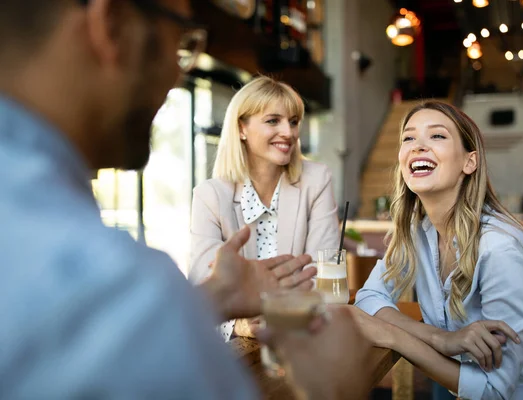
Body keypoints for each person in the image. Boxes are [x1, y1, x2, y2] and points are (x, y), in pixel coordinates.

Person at [0, 0, 371, 398]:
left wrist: (212, 298)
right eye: (182, 42)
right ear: (113, 26)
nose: (178, 77)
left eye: (294, 122)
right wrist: (338, 390)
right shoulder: (123, 289)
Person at [352, 101, 523, 399]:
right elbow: (369, 297)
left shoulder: (500, 247)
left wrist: (393, 336)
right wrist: (441, 339)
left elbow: (494, 391)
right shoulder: (418, 231)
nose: (418, 146)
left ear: (470, 162)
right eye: (408, 138)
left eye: (437, 136)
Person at [188, 76, 340, 340]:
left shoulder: (317, 180)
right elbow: (203, 284)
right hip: (238, 350)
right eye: (273, 121)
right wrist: (238, 327)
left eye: (293, 122)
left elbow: (321, 271)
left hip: (303, 334)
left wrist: (279, 313)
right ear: (241, 129)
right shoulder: (209, 196)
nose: (289, 132)